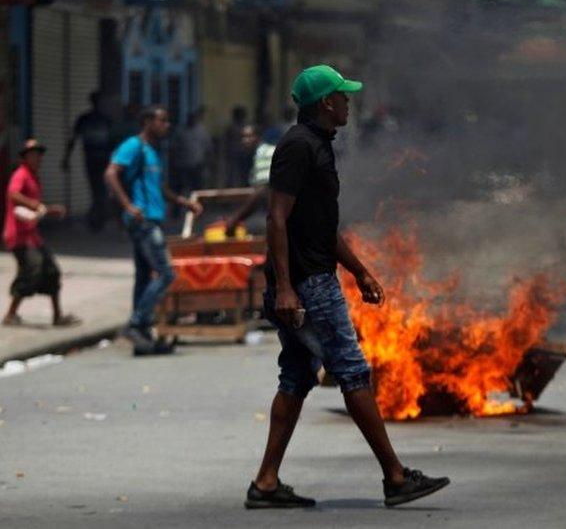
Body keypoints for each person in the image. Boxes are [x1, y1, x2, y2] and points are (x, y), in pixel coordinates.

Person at [248, 65, 450, 509]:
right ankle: (396, 478)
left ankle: (266, 482)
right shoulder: (298, 147)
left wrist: (360, 271)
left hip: (312, 279)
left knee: (297, 378)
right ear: (325, 103)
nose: (348, 102)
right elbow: (276, 218)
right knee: (353, 372)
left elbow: (320, 226)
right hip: (308, 285)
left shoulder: (317, 146)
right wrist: (286, 288)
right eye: (343, 95)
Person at [104, 106, 203, 356]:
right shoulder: (133, 146)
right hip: (144, 221)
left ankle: (143, 338)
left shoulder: (152, 151)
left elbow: (160, 188)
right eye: (162, 120)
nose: (166, 125)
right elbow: (111, 173)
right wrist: (128, 205)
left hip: (152, 220)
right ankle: (136, 323)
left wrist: (184, 203)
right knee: (166, 273)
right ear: (147, 121)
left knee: (143, 276)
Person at [3, 139, 80, 327]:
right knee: (32, 269)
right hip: (18, 236)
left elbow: (37, 209)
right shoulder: (21, 174)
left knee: (52, 271)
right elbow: (13, 194)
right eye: (32, 154)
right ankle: (10, 315)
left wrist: (49, 209)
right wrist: (35, 205)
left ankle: (57, 316)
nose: (37, 158)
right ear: (25, 157)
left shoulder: (34, 177)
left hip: (32, 235)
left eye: (38, 155)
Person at [63, 91, 115, 231]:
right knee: (96, 189)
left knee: (100, 190)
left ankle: (98, 217)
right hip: (92, 159)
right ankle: (96, 218)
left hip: (104, 160)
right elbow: (73, 139)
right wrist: (66, 158)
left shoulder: (106, 120)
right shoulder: (85, 119)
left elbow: (113, 143)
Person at [171, 107, 213, 202]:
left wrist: (208, 162)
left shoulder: (201, 131)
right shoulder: (180, 131)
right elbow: (173, 148)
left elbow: (208, 147)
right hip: (182, 165)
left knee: (197, 188)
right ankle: (177, 209)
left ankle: (197, 206)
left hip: (197, 165)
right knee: (180, 188)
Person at [223, 106, 249, 187]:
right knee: (233, 173)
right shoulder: (233, 128)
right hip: (235, 153)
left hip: (241, 153)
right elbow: (227, 141)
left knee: (242, 173)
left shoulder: (244, 127)